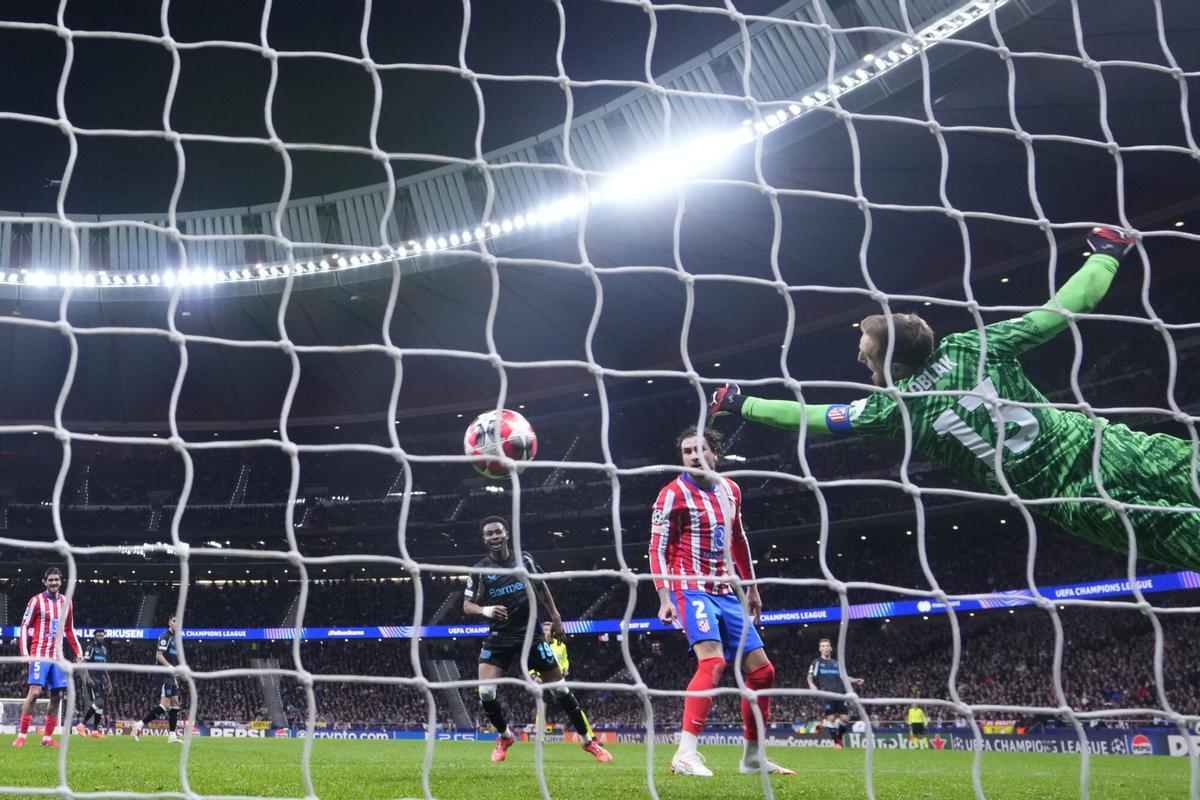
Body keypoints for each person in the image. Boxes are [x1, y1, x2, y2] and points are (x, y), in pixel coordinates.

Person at [710, 229, 1200, 570]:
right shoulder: (974, 346)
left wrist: (741, 402)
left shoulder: (896, 408)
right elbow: (1070, 307)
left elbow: (814, 417)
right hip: (1104, 444)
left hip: (1074, 497)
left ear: (897, 365)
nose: (861, 362)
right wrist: (1107, 252)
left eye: (867, 356)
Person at [651, 426, 794, 777]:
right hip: (690, 588)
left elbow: (738, 542)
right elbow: (655, 548)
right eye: (687, 451)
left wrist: (752, 588)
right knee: (712, 662)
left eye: (700, 449)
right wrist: (664, 596)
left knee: (762, 671)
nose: (694, 456)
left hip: (725, 591)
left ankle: (752, 757)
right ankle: (685, 753)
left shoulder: (731, 490)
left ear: (716, 452)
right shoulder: (671, 494)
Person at [463, 516, 612, 764]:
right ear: (484, 539)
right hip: (499, 637)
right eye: (489, 534)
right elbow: (467, 606)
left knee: (560, 690)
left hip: (531, 635)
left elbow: (542, 588)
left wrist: (556, 618)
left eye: (498, 532)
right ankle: (505, 736)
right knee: (486, 692)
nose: (494, 537)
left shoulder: (525, 560)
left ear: (507, 534)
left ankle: (589, 741)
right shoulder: (481, 570)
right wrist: (486, 610)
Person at [13, 567, 82, 748]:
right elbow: (23, 627)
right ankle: (22, 735)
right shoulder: (35, 601)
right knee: (35, 693)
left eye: (56, 580)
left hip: (57, 657)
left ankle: (47, 737)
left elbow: (69, 629)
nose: (53, 583)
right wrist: (24, 654)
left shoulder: (67, 602)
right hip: (39, 654)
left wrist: (78, 651)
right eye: (50, 580)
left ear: (61, 582)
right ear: (44, 582)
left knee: (57, 696)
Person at [806, 638, 864, 750]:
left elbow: (844, 677)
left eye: (827, 646)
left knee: (845, 719)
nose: (825, 648)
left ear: (831, 648)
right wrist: (812, 685)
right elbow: (809, 676)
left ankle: (839, 737)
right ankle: (836, 742)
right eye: (823, 646)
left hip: (840, 694)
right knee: (831, 719)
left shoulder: (836, 663)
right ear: (819, 649)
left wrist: (855, 680)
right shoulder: (816, 663)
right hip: (827, 694)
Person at [133, 614, 182, 743]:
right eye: (174, 621)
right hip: (163, 674)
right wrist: (170, 667)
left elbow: (172, 658)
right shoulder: (165, 636)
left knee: (175, 703)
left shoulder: (176, 639)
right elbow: (159, 655)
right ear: (169, 623)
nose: (177, 623)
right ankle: (140, 724)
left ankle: (172, 736)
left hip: (170, 674)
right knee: (165, 705)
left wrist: (174, 674)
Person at [75, 628, 111, 738]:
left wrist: (108, 680)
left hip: (100, 679)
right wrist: (88, 678)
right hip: (92, 678)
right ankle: (81, 725)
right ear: (95, 637)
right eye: (98, 635)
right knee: (99, 702)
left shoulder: (104, 650)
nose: (100, 637)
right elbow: (84, 663)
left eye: (102, 635)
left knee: (100, 706)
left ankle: (95, 731)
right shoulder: (90, 648)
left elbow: (104, 666)